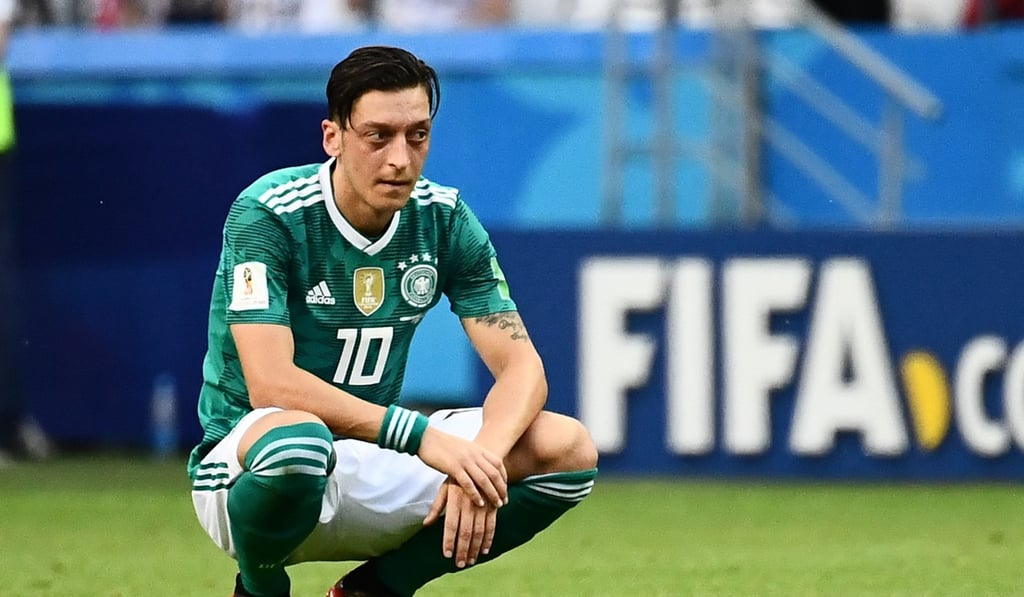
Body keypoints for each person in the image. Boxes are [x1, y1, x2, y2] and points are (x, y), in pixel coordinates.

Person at [187, 45, 599, 597]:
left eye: (418, 136)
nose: (400, 159)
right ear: (333, 136)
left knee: (567, 448)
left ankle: (375, 589)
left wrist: (480, 468)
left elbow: (522, 370)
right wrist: (423, 437)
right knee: (299, 445)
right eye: (378, 136)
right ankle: (259, 586)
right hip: (247, 466)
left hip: (373, 455)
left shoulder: (444, 218)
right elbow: (272, 384)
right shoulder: (269, 213)